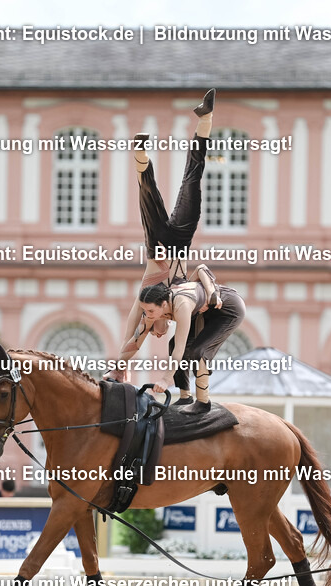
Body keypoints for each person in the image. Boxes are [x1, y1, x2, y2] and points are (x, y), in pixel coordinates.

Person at [108, 89, 217, 404]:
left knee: (149, 196)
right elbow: (200, 274)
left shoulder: (146, 303)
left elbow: (132, 331)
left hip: (158, 243)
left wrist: (120, 365)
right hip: (180, 239)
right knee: (192, 179)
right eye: (160, 332)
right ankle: (206, 118)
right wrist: (211, 290)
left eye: (156, 331)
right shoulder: (172, 306)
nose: (158, 333)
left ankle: (141, 156)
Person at [112, 275, 245, 414]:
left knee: (198, 351)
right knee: (172, 343)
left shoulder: (182, 305)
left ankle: (203, 402)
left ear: (163, 305)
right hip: (205, 312)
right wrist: (117, 367)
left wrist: (165, 380)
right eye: (145, 311)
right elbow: (136, 341)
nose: (148, 315)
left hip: (229, 309)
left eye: (150, 311)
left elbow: (180, 349)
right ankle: (185, 397)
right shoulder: (153, 311)